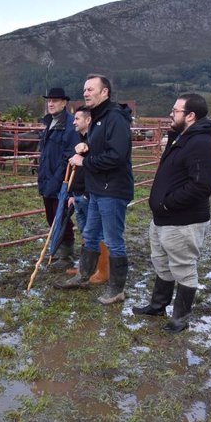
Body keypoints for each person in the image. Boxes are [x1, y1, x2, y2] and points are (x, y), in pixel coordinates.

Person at [133, 94, 211, 333]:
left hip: (183, 220)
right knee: (161, 262)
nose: (171, 114)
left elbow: (201, 185)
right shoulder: (182, 137)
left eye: (176, 110)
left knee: (183, 267)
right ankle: (158, 305)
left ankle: (180, 318)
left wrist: (168, 204)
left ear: (191, 115)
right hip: (163, 218)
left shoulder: (201, 142)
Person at [56, 74, 134, 306]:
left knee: (112, 239)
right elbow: (104, 148)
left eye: (91, 89)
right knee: (90, 234)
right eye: (85, 89)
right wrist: (86, 146)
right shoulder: (99, 118)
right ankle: (84, 275)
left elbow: (118, 155)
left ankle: (117, 289)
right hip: (98, 188)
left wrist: (85, 162)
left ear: (105, 92)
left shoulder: (115, 118)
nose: (86, 93)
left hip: (113, 189)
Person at [65, 106, 109, 283]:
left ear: (88, 120)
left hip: (89, 193)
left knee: (96, 232)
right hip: (78, 193)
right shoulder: (81, 139)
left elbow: (94, 167)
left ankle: (103, 270)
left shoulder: (95, 140)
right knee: (86, 231)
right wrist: (71, 193)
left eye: (77, 118)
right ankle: (86, 267)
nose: (74, 122)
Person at [37, 87, 80, 264]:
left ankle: (66, 253)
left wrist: (58, 179)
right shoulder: (50, 123)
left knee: (61, 215)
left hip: (62, 179)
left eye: (55, 101)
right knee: (51, 215)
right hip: (47, 177)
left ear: (64, 103)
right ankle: (58, 248)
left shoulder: (70, 125)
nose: (51, 104)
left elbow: (68, 156)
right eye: (49, 101)